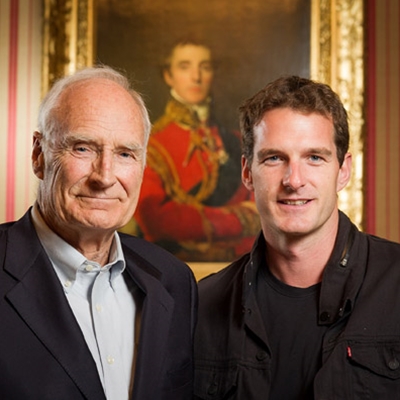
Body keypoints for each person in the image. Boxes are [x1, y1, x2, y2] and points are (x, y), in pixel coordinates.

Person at [194, 75, 400, 399]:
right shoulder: (202, 306)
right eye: (274, 158)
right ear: (247, 173)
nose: (294, 180)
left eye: (314, 157)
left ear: (343, 170)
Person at [0, 66, 197, 400]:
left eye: (125, 154)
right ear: (38, 155)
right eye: (83, 148)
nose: (104, 177)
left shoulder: (173, 280)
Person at [134, 38, 260, 262]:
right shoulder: (151, 145)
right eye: (185, 67)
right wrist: (240, 220)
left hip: (240, 264)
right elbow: (156, 221)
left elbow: (261, 210)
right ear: (168, 76)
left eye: (205, 67)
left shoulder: (236, 141)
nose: (196, 77)